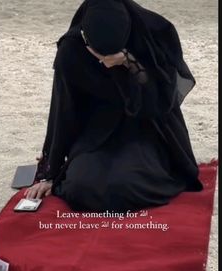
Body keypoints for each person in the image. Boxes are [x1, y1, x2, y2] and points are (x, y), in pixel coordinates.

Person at [25, 0, 203, 212]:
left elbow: (162, 101)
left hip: (145, 126)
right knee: (83, 188)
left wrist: (130, 62)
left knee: (126, 185)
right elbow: (63, 112)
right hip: (94, 133)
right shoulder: (71, 49)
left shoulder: (152, 33)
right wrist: (50, 172)